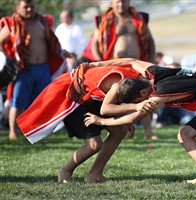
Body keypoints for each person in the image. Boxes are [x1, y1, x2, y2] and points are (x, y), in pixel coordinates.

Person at [84, 60, 196, 187]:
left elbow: (133, 118)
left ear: (144, 91)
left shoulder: (158, 95)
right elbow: (130, 61)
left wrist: (101, 121)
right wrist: (96, 64)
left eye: (139, 100)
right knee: (185, 134)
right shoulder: (154, 72)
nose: (142, 102)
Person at [16, 58, 156, 183]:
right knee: (94, 144)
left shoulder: (134, 80)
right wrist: (135, 107)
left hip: (92, 98)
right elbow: (105, 109)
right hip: (76, 97)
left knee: (119, 130)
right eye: (143, 99)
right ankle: (65, 170)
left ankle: (94, 174)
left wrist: (125, 120)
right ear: (143, 91)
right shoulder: (119, 83)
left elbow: (128, 62)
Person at [0, 0, 67, 140]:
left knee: (41, 102)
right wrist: (10, 58)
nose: (29, 9)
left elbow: (52, 42)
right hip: (24, 69)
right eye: (26, 7)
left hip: (43, 68)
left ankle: (35, 131)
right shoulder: (13, 23)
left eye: (31, 6)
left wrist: (62, 52)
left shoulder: (42, 22)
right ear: (18, 8)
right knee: (17, 102)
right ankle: (13, 132)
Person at [90, 0, 157, 140]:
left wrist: (150, 63)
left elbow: (150, 42)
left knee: (146, 94)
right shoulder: (104, 20)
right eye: (117, 2)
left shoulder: (139, 18)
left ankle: (148, 131)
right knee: (116, 97)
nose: (121, 5)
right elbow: (95, 43)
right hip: (115, 64)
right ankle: (116, 128)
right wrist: (100, 63)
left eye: (124, 1)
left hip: (137, 65)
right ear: (112, 3)